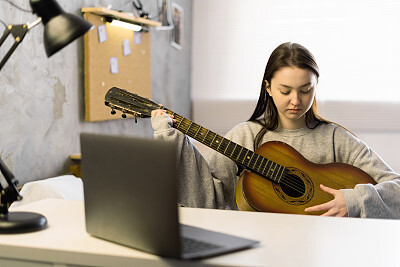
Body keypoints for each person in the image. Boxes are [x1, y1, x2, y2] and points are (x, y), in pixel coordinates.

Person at [151, 42, 400, 219]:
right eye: (285, 90)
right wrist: (172, 140)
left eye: (305, 90)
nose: (296, 100)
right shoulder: (245, 136)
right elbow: (208, 201)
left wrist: (355, 200)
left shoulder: (336, 139)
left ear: (316, 85)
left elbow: (396, 189)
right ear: (268, 88)